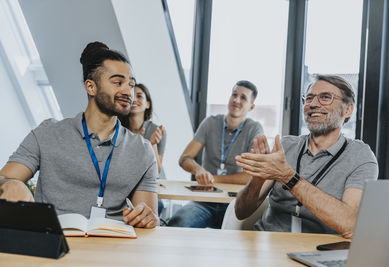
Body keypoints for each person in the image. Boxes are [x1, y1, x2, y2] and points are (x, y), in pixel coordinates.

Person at [0, 41, 159, 228]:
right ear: (90, 87)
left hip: (113, 247)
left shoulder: (142, 150)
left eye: (131, 85)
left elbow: (146, 216)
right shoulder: (48, 133)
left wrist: (148, 218)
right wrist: (12, 185)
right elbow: (4, 180)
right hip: (53, 244)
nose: (127, 91)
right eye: (118, 82)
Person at [235, 74, 378, 238]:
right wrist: (257, 181)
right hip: (268, 244)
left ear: (348, 109)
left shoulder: (360, 156)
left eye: (325, 97)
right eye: (309, 98)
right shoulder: (285, 146)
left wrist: (288, 177)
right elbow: (241, 212)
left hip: (319, 252)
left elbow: (348, 224)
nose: (313, 104)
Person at [168, 80, 264, 228]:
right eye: (234, 95)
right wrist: (198, 170)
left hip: (235, 204)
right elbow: (184, 158)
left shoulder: (254, 129)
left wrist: (213, 178)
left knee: (244, 237)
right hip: (205, 201)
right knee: (178, 222)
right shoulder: (210, 123)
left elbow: (251, 176)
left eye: (243, 98)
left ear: (251, 106)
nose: (236, 100)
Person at [119, 83, 166, 215]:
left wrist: (151, 145)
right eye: (132, 96)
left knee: (158, 205)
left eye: (139, 96)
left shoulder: (157, 131)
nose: (134, 99)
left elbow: (156, 171)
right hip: (122, 183)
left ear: (148, 104)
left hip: (144, 185)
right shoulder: (117, 128)